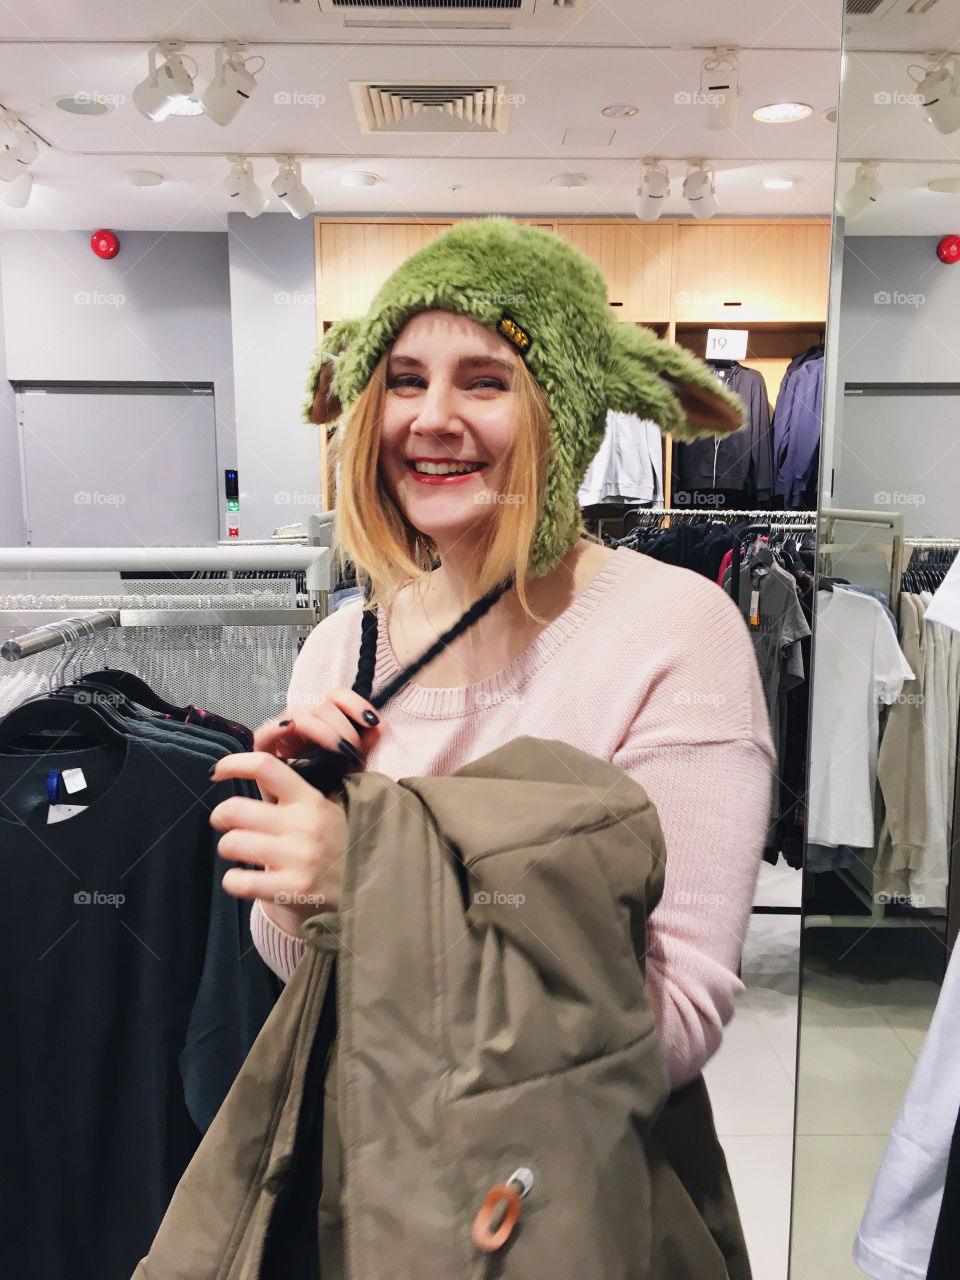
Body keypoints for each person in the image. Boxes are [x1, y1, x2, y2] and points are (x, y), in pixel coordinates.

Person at [150, 218, 775, 1276]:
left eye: (484, 379)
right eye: (402, 378)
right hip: (356, 1188)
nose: (430, 419)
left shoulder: (673, 631)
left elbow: (671, 1020)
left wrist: (369, 872)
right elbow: (307, 977)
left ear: (559, 407)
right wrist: (292, 876)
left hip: (547, 1211)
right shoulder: (343, 645)